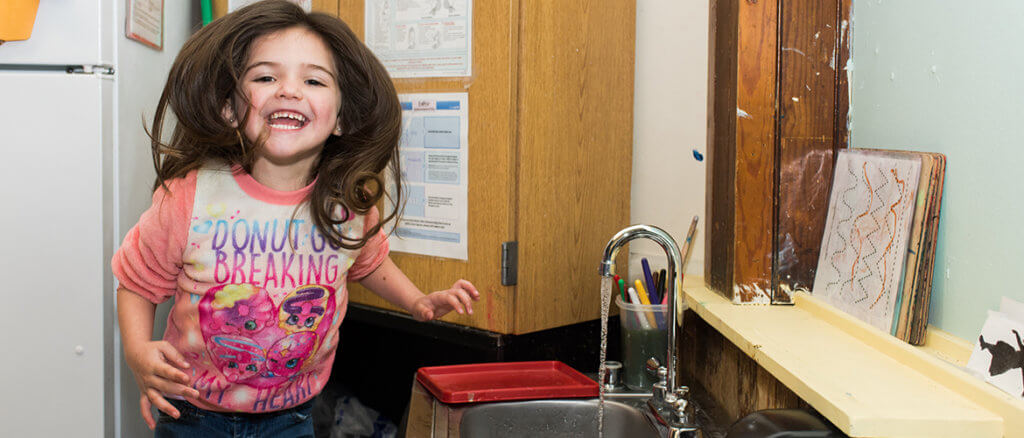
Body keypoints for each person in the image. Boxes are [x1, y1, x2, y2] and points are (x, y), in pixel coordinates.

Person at [111, 2, 479, 436]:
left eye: (313, 80)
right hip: (192, 414)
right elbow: (136, 281)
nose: (289, 90)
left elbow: (368, 262)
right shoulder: (190, 198)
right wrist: (137, 351)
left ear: (342, 117)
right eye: (266, 77)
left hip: (292, 418)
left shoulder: (347, 207)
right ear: (230, 108)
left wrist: (416, 300)